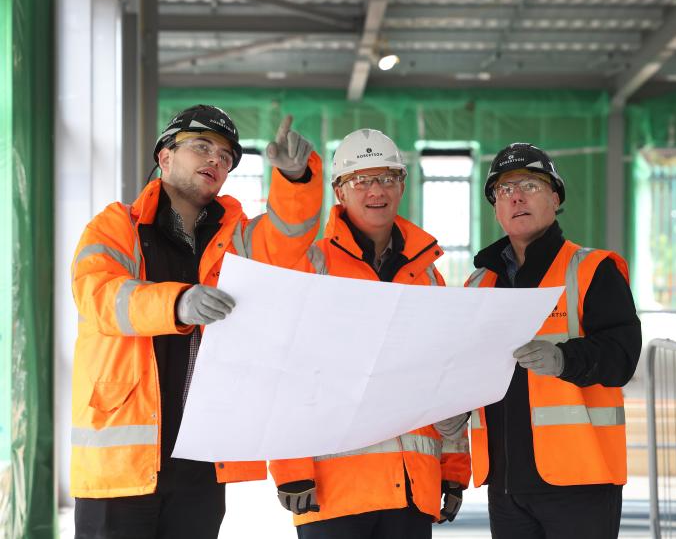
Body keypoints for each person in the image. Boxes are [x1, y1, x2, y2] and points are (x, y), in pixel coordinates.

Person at [70, 105, 323, 539]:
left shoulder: (236, 237)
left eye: (225, 157)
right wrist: (178, 302)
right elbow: (98, 296)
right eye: (202, 147)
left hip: (201, 461)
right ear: (164, 158)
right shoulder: (116, 226)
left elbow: (286, 241)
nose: (215, 161)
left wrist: (295, 180)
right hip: (121, 464)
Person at [269, 128, 471, 538]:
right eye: (360, 180)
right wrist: (290, 468)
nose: (375, 190)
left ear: (402, 185)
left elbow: (444, 381)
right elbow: (284, 368)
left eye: (386, 178)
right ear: (339, 191)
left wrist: (453, 469)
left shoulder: (427, 275)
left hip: (411, 491)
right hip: (334, 491)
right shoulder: (312, 265)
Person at [465, 142, 642, 539]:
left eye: (529, 184)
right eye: (503, 190)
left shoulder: (593, 270)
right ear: (495, 207)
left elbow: (622, 357)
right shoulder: (479, 283)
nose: (516, 196)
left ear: (556, 196)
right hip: (506, 484)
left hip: (581, 482)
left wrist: (565, 359)